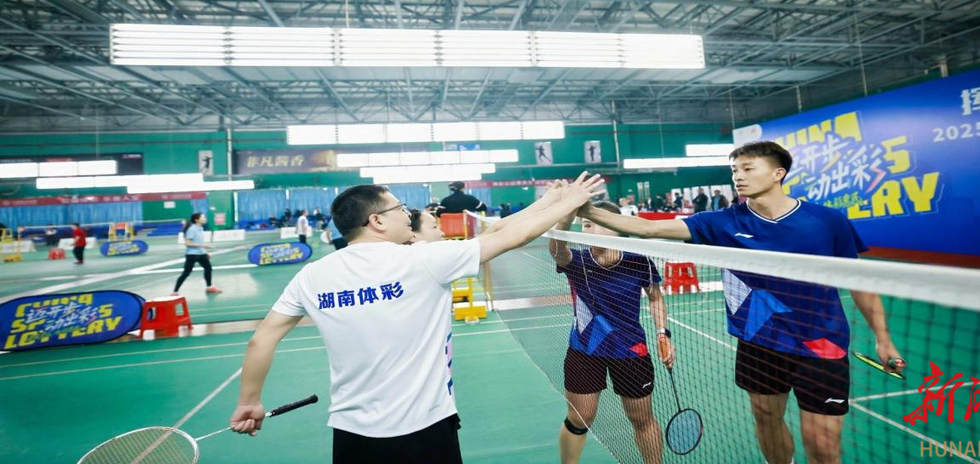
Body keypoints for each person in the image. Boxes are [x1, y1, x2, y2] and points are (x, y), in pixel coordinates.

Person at [229, 173, 607, 464]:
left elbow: (261, 339)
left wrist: (249, 401)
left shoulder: (311, 275)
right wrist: (570, 202)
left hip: (350, 434)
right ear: (377, 220)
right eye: (398, 208)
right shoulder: (423, 260)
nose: (405, 214)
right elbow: (513, 238)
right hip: (425, 429)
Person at [578, 141, 905, 464]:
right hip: (758, 342)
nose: (738, 176)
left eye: (748, 168)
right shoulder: (723, 222)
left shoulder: (827, 220)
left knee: (822, 445)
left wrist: (883, 338)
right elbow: (647, 229)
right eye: (734, 169)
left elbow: (859, 281)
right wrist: (586, 209)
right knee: (766, 418)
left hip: (821, 344)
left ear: (778, 173)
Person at [551, 202, 673, 464]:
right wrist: (566, 217)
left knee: (641, 419)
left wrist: (663, 333)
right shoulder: (577, 261)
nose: (591, 229)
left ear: (616, 228)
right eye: (586, 224)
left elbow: (655, 297)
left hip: (630, 350)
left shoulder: (638, 260)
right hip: (585, 350)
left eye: (600, 223)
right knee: (579, 419)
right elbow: (557, 250)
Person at [174, 213, 221, 294]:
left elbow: (199, 241)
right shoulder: (192, 229)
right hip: (192, 255)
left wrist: (205, 252)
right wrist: (203, 246)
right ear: (196, 220)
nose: (205, 218)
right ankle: (175, 291)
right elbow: (187, 243)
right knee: (186, 273)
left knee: (208, 269)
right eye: (203, 217)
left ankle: (209, 287)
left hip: (201, 254)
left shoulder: (200, 228)